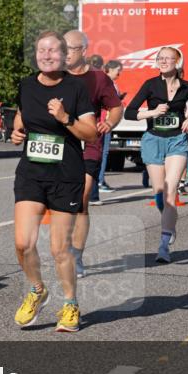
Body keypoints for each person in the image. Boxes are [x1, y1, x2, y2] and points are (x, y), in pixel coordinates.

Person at [11, 31, 97, 332]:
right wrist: (17, 132)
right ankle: (37, 291)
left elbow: (91, 133)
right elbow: (21, 117)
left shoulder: (76, 89)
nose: (46, 55)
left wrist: (65, 119)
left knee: (59, 250)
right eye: (41, 50)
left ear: (65, 57)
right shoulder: (25, 85)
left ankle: (71, 304)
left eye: (53, 51)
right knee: (23, 243)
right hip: (32, 173)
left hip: (65, 176)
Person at [125, 47, 188, 263]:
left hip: (177, 141)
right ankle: (169, 226)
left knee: (171, 191)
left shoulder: (187, 87)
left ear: (177, 62)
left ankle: (163, 244)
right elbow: (129, 112)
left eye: (168, 59)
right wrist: (152, 112)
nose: (163, 62)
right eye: (160, 58)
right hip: (153, 139)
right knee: (160, 194)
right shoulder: (150, 85)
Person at [63, 30, 123, 274]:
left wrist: (109, 122)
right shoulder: (54, 76)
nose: (65, 54)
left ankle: (76, 255)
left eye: (71, 49)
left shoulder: (99, 79)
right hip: (60, 147)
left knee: (81, 200)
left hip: (89, 145)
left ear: (84, 51)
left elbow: (116, 108)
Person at [97, 59, 125, 193]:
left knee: (102, 152)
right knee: (102, 152)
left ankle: (100, 180)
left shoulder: (109, 83)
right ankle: (99, 181)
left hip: (106, 121)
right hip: (104, 121)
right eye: (117, 71)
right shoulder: (106, 83)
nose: (119, 74)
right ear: (110, 70)